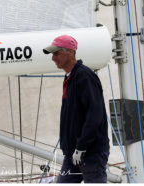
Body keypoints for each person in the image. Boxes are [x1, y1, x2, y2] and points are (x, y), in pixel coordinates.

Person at [43, 35, 110, 183]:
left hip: (89, 152)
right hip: (73, 153)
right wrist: (73, 149)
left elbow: (95, 115)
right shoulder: (71, 77)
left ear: (70, 52)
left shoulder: (84, 76)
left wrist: (81, 147)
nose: (53, 58)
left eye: (56, 53)